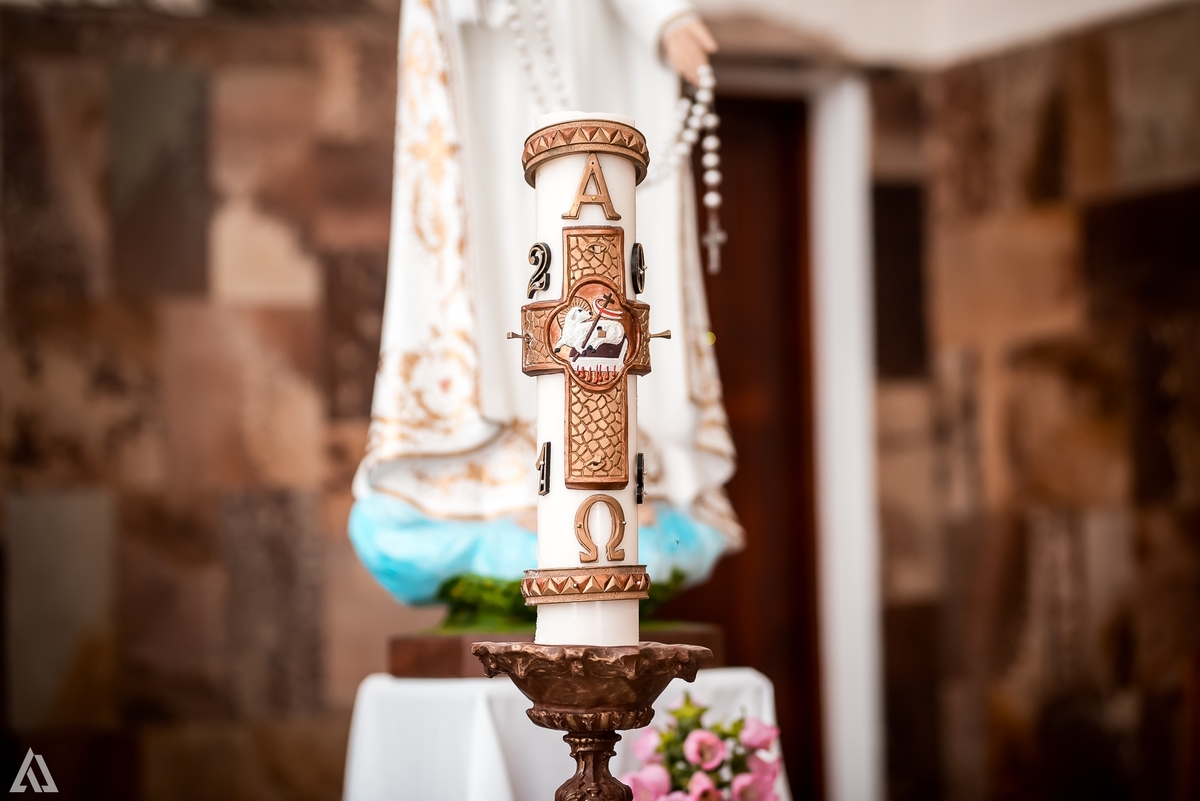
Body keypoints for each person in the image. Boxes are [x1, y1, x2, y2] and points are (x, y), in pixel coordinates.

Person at [350, 0, 741, 612]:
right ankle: (506, 480)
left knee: (611, 222)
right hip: (496, 41)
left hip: (591, 31)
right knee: (502, 231)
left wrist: (664, 16)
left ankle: (622, 470)